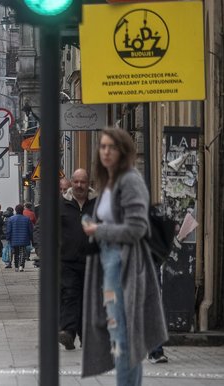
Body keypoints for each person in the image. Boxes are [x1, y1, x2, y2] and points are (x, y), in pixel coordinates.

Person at [81, 127, 168, 385]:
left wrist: (99, 229)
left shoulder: (130, 179)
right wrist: (92, 224)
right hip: (109, 264)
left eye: (112, 147)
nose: (106, 152)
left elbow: (138, 227)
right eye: (103, 147)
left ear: (124, 151)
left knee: (123, 336)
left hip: (124, 264)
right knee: (117, 333)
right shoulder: (109, 182)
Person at [58, 169, 96, 351]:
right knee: (70, 295)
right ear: (72, 183)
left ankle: (84, 334)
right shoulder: (61, 204)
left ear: (88, 183)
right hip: (68, 260)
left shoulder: (97, 204)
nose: (79, 186)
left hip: (93, 261)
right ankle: (68, 332)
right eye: (76, 182)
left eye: (83, 182)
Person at [6, 204, 33, 272]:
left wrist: (8, 238)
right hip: (24, 238)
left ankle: (16, 267)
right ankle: (21, 265)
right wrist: (31, 238)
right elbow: (30, 230)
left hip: (14, 238)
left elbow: (9, 230)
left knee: (16, 253)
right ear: (22, 210)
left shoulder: (11, 219)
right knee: (22, 252)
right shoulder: (27, 219)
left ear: (15, 210)